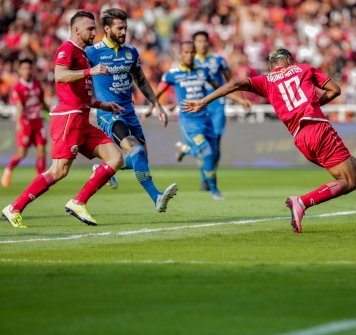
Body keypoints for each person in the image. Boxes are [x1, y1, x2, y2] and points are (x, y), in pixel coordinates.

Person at [182, 46, 356, 233]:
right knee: (348, 181)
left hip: (300, 138)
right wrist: (315, 104)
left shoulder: (265, 81)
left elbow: (235, 84)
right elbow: (335, 90)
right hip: (318, 128)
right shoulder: (304, 69)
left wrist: (203, 101)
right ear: (289, 60)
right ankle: (302, 202)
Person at [2, 11, 124, 228]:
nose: (94, 32)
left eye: (94, 28)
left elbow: (79, 91)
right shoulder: (66, 49)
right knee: (59, 171)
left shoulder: (83, 55)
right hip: (69, 118)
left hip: (82, 119)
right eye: (90, 28)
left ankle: (79, 202)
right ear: (76, 30)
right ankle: (14, 208)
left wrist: (101, 104)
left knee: (115, 158)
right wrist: (90, 71)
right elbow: (60, 75)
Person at [86, 8, 177, 212]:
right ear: (107, 28)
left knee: (141, 156)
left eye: (125, 27)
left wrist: (157, 105)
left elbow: (141, 79)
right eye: (119, 28)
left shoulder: (130, 52)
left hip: (129, 112)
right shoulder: (92, 52)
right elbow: (77, 75)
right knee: (135, 150)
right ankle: (157, 197)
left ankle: (103, 170)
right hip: (109, 114)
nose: (123, 31)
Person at [145, 41, 250, 200]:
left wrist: (239, 100)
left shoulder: (203, 71)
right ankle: (214, 191)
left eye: (192, 52)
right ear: (180, 54)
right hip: (189, 122)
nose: (189, 55)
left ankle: (185, 150)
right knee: (207, 153)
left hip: (206, 119)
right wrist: (150, 109)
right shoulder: (172, 74)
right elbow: (157, 93)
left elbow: (219, 90)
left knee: (213, 155)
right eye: (186, 52)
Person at [174, 31, 235, 191]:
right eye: (199, 41)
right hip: (198, 108)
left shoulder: (218, 60)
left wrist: (239, 99)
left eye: (205, 41)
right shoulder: (190, 64)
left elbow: (231, 82)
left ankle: (210, 173)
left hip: (217, 106)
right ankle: (204, 180)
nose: (203, 44)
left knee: (215, 146)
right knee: (203, 144)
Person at [1, 59, 49, 188]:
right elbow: (19, 107)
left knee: (41, 150)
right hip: (25, 122)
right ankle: (8, 169)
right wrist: (18, 123)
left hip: (37, 122)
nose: (27, 71)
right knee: (22, 153)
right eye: (24, 69)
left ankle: (40, 180)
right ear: (20, 71)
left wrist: (51, 113)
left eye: (29, 68)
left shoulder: (37, 84)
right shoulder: (17, 87)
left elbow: (42, 102)